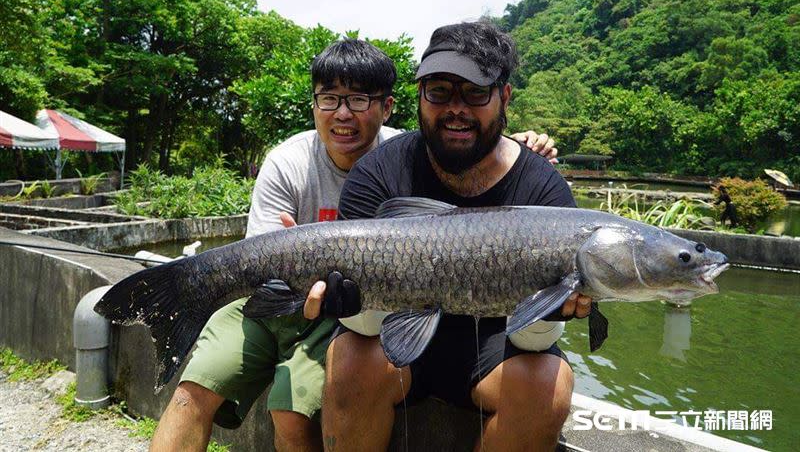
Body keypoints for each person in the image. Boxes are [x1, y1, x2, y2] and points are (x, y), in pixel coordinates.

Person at [150, 37, 558, 452]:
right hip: (307, 305)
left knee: (292, 411)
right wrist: (300, 266)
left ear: (387, 108)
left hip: (422, 329)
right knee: (194, 395)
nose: (343, 114)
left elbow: (543, 331)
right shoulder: (349, 168)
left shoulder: (532, 178)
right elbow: (266, 267)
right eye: (329, 99)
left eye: (359, 100)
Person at [320, 21, 591, 452]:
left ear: (504, 96)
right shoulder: (378, 173)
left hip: (496, 344)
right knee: (351, 356)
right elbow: (360, 324)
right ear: (420, 96)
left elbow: (534, 337)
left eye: (475, 93)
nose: (456, 109)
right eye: (440, 92)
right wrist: (347, 302)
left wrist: (554, 312)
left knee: (549, 383)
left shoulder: (543, 191)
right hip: (392, 333)